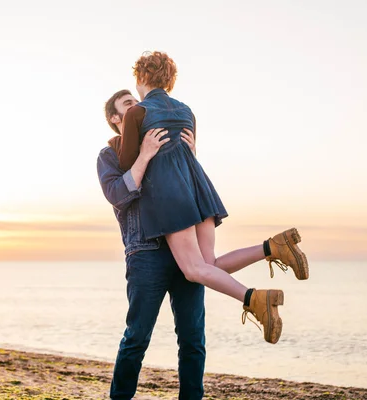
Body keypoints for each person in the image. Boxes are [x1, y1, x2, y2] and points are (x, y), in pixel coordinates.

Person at [97, 90, 304, 399]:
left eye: (136, 102)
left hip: (185, 248)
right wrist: (144, 156)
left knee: (193, 339)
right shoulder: (109, 155)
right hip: (146, 254)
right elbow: (117, 195)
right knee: (136, 337)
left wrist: (188, 155)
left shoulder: (166, 140)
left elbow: (185, 188)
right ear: (116, 119)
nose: (137, 107)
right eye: (128, 105)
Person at [115, 52, 309, 344]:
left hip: (171, 197)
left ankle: (254, 298)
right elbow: (186, 155)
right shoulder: (187, 111)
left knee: (194, 270)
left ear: (141, 78)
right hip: (199, 191)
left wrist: (137, 147)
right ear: (169, 80)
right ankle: (272, 247)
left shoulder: (137, 113)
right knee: (208, 265)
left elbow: (127, 163)